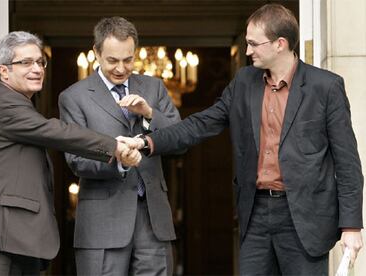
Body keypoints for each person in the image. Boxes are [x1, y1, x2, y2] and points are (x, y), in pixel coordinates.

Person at [128, 4, 364, 275]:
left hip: (306, 218)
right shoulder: (243, 82)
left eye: (253, 43)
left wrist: (351, 226)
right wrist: (146, 142)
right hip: (256, 215)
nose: (247, 50)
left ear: (280, 44)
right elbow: (200, 124)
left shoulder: (326, 87)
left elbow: (348, 163)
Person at [0, 31, 141, 276]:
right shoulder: (5, 103)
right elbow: (57, 132)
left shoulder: (20, 105)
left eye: (40, 62)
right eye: (26, 62)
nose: (37, 68)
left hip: (18, 238)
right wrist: (114, 146)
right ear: (4, 72)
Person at [58, 17, 181, 276]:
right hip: (102, 223)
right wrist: (120, 161)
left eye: (128, 60)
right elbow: (76, 160)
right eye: (112, 60)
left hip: (153, 220)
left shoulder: (153, 87)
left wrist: (149, 114)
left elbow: (180, 140)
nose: (121, 68)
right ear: (96, 53)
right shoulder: (74, 97)